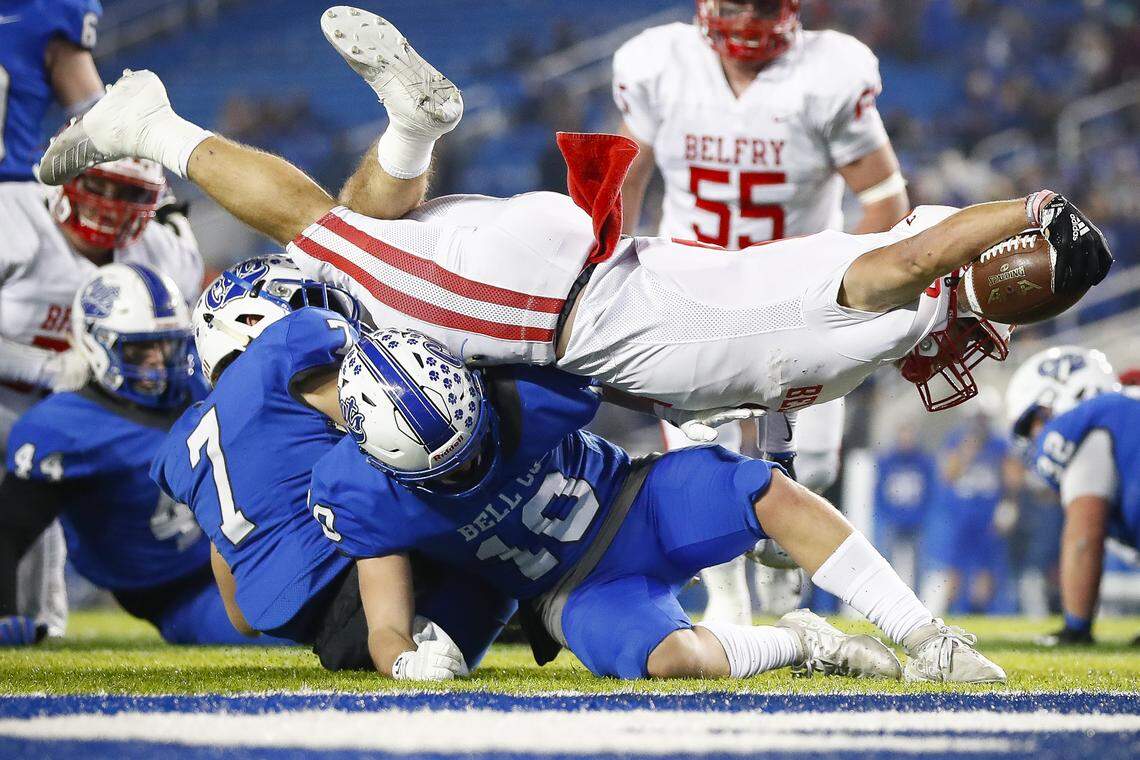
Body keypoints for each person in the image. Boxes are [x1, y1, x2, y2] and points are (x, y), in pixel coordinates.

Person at [36, 9, 1112, 425]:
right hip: (550, 307)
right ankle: (149, 123)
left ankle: (409, 135)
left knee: (361, 239)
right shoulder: (887, 298)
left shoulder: (863, 342)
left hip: (569, 270)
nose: (969, 345)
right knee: (319, 240)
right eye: (978, 321)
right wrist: (1032, 209)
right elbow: (918, 253)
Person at [306, 327, 1004, 683]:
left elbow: (625, 371)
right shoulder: (362, 493)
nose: (473, 464)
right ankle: (803, 642)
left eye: (474, 441)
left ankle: (927, 638)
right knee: (670, 660)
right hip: (570, 591)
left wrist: (691, 400)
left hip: (635, 498)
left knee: (764, 490)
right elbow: (386, 625)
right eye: (450, 469)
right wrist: (406, 663)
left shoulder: (516, 385)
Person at [613, 0, 910, 623]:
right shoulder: (662, 66)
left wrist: (841, 291)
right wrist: (615, 265)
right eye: (735, 4)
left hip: (797, 297)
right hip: (693, 290)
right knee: (701, 457)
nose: (748, 18)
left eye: (764, 4)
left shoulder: (826, 75)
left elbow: (886, 203)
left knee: (815, 462)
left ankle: (783, 551)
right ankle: (727, 599)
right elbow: (627, 178)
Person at [150, 256, 515, 672]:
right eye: (303, 302)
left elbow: (241, 618)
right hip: (386, 568)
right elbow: (390, 426)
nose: (324, 312)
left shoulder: (190, 437)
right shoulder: (283, 349)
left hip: (327, 633)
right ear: (249, 321)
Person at [0, 263, 259, 646]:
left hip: (255, 546)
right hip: (180, 589)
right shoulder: (64, 427)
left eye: (166, 344)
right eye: (139, 349)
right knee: (287, 627)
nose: (158, 360)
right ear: (96, 345)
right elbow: (8, 531)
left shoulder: (199, 379)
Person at [0, 156, 201, 639]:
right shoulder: (12, 218)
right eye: (99, 185)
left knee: (41, 523)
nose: (111, 206)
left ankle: (37, 626)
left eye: (131, 193)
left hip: (77, 415)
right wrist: (47, 367)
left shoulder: (164, 250)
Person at [0, 0, 106, 641]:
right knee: (31, 430)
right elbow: (95, 111)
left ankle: (36, 615)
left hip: (15, 196)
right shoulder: (41, 13)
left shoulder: (41, 12)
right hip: (16, 201)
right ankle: (38, 615)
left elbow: (93, 111)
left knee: (31, 434)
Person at [1005, 345, 1139, 645]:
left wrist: (1076, 627)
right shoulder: (1127, 409)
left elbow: (1084, 535)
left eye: (1035, 422)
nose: (1036, 436)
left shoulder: (1088, 424)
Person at [920, 405, 1017, 616]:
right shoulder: (957, 440)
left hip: (988, 516)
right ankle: (950, 613)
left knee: (984, 570)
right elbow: (947, 476)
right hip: (961, 515)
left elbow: (1012, 478)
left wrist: (1008, 505)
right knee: (953, 569)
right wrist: (966, 453)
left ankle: (980, 613)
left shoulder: (999, 444)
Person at [0, 0, 104, 183]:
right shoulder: (50, 9)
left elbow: (98, 126)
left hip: (14, 183)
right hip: (16, 190)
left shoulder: (46, 9)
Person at [872, 421, 936, 589]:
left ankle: (917, 597)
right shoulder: (888, 461)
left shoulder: (924, 461)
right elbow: (880, 492)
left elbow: (930, 492)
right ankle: (888, 595)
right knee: (887, 562)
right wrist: (889, 516)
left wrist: (921, 516)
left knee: (919, 565)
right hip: (894, 521)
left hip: (916, 522)